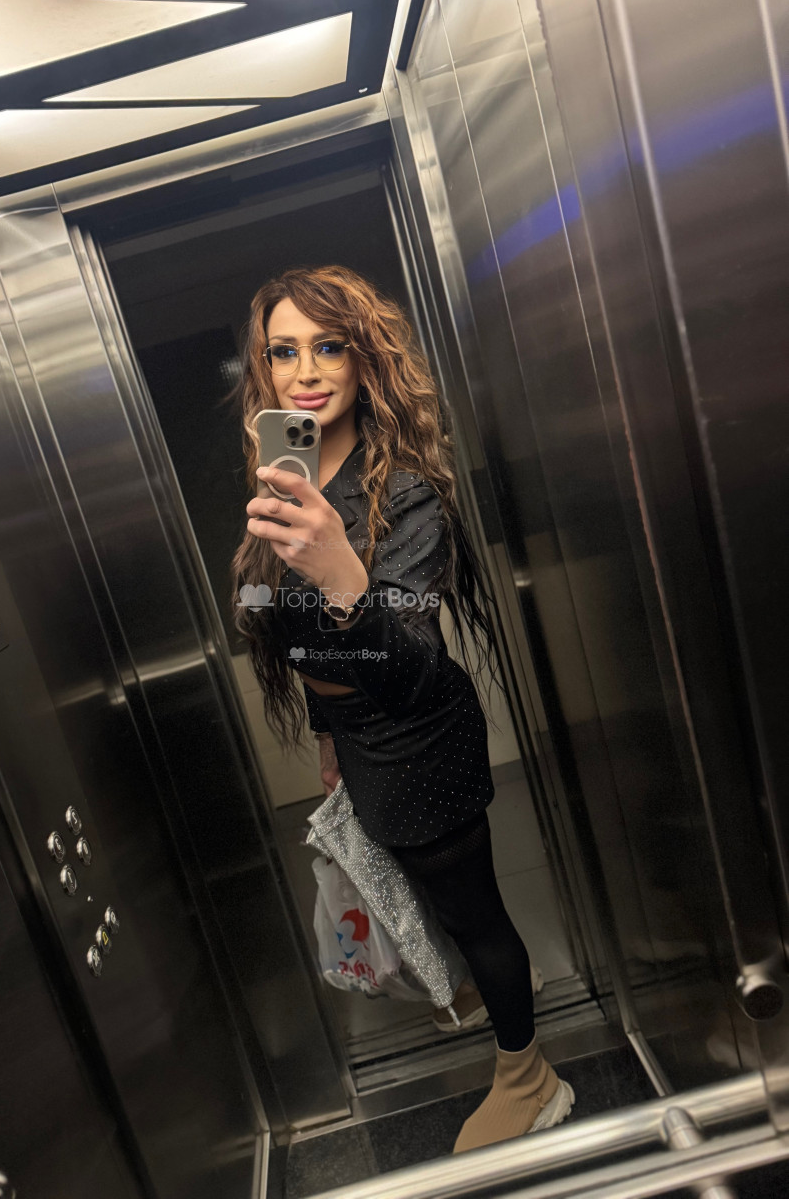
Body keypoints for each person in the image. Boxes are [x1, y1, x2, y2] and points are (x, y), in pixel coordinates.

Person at [230, 264, 574, 1151]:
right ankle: (485, 995)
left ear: (364, 358)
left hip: (421, 740)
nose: (306, 371)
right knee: (430, 891)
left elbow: (414, 671)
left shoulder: (406, 490)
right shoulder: (288, 477)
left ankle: (530, 1077)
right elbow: (296, 635)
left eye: (329, 346)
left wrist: (341, 573)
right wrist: (326, 734)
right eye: (283, 351)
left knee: (475, 911)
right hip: (359, 738)